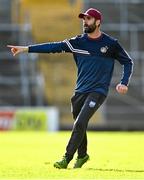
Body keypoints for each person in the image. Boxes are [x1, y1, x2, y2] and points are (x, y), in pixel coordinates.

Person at [7, 8, 133, 169]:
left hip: (98, 91)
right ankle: (82, 155)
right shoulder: (77, 42)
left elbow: (128, 62)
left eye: (88, 19)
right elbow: (53, 47)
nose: (84, 22)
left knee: (80, 122)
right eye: (83, 19)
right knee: (80, 125)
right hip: (79, 92)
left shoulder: (111, 44)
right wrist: (26, 49)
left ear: (98, 22)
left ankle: (66, 158)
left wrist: (124, 82)